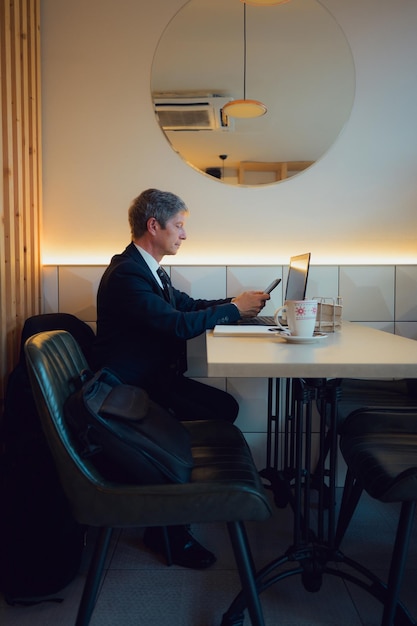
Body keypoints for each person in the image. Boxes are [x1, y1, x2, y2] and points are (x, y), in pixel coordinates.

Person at [93, 188, 270, 569]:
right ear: (153, 226)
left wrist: (236, 307)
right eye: (178, 225)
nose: (183, 235)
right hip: (133, 392)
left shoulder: (147, 269)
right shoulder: (127, 275)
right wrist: (233, 310)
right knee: (219, 409)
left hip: (153, 381)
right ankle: (167, 527)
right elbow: (177, 325)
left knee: (223, 407)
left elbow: (186, 308)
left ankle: (184, 497)